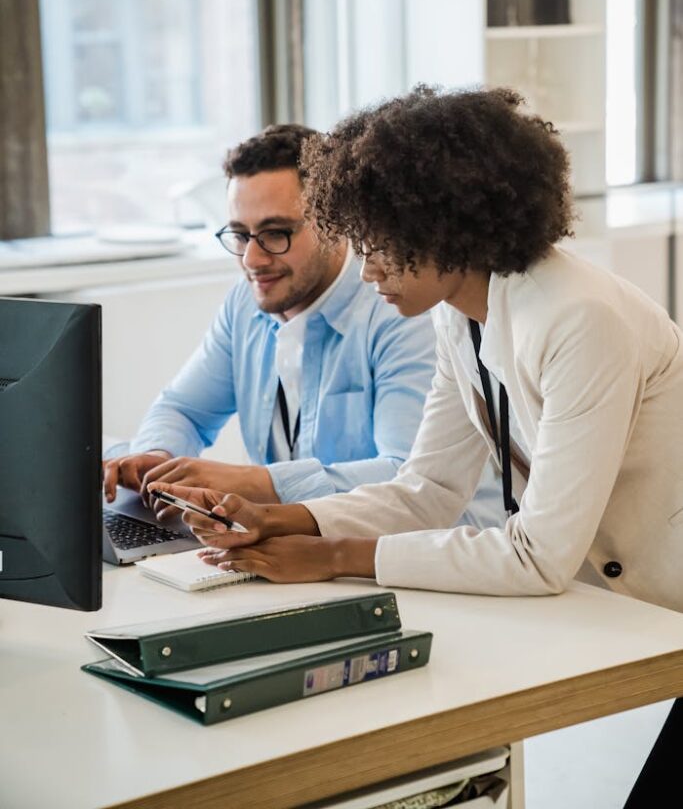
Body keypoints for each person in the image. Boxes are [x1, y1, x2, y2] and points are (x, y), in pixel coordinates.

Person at [156, 87, 682, 808]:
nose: (366, 267)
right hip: (631, 604)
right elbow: (426, 489)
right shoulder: (461, 315)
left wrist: (334, 557)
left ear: (450, 228)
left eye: (380, 240)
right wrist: (286, 520)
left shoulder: (578, 317)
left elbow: (536, 554)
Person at [103, 123, 442, 513]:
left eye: (276, 233)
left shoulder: (400, 310)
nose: (252, 260)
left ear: (337, 223)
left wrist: (251, 483)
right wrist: (157, 457)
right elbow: (183, 410)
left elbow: (406, 476)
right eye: (240, 235)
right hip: (289, 547)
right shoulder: (245, 305)